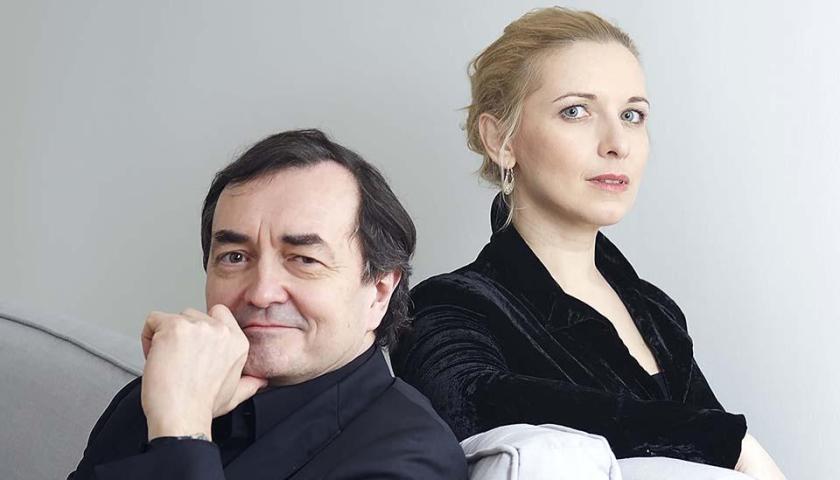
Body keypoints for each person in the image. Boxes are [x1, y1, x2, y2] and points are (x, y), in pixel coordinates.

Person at [391, 7, 785, 479]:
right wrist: (725, 440)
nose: (617, 143)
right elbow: (469, 402)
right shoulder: (448, 305)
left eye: (632, 115)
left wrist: (722, 442)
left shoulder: (657, 312)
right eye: (575, 111)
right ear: (501, 141)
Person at [69, 129, 467, 479]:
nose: (261, 292)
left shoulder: (413, 460)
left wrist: (181, 433)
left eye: (304, 260)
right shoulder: (160, 393)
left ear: (379, 292)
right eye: (235, 257)